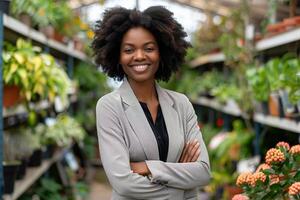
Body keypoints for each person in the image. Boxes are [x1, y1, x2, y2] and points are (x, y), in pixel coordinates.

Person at [92, 6, 211, 200]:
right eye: (129, 50)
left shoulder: (181, 104)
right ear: (117, 56)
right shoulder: (109, 106)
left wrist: (148, 167)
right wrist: (181, 181)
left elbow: (203, 172)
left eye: (149, 48)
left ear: (162, 52)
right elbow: (124, 183)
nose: (139, 56)